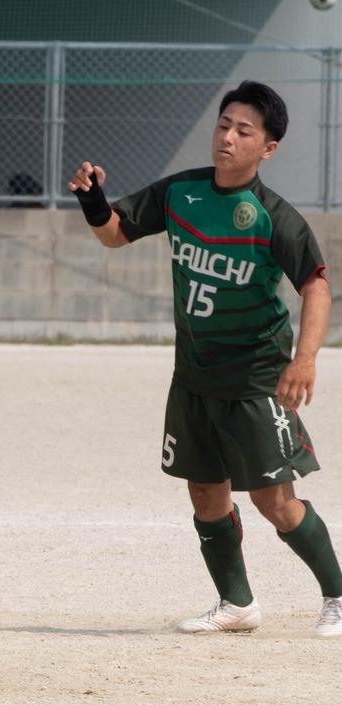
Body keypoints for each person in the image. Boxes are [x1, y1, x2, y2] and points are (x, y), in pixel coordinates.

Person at [69, 80, 342, 638]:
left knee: (276, 503)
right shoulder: (182, 193)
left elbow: (316, 287)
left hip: (256, 378)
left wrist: (305, 359)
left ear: (268, 148)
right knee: (203, 489)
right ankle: (236, 604)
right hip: (193, 376)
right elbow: (116, 235)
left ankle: (338, 595)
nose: (228, 137)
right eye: (223, 125)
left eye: (245, 131)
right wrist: (93, 199)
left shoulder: (274, 216)